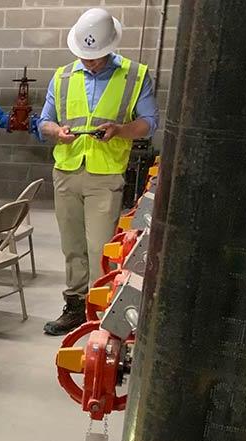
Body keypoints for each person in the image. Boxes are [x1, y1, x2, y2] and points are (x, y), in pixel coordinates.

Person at [39, 7, 159, 336]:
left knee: (99, 247)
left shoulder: (135, 76)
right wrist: (56, 131)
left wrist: (120, 130)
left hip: (105, 175)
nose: (90, 62)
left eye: (96, 56)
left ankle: (99, 311)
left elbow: (149, 124)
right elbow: (43, 122)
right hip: (66, 170)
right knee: (72, 246)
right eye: (85, 56)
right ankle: (75, 306)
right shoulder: (63, 76)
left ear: (111, 47)